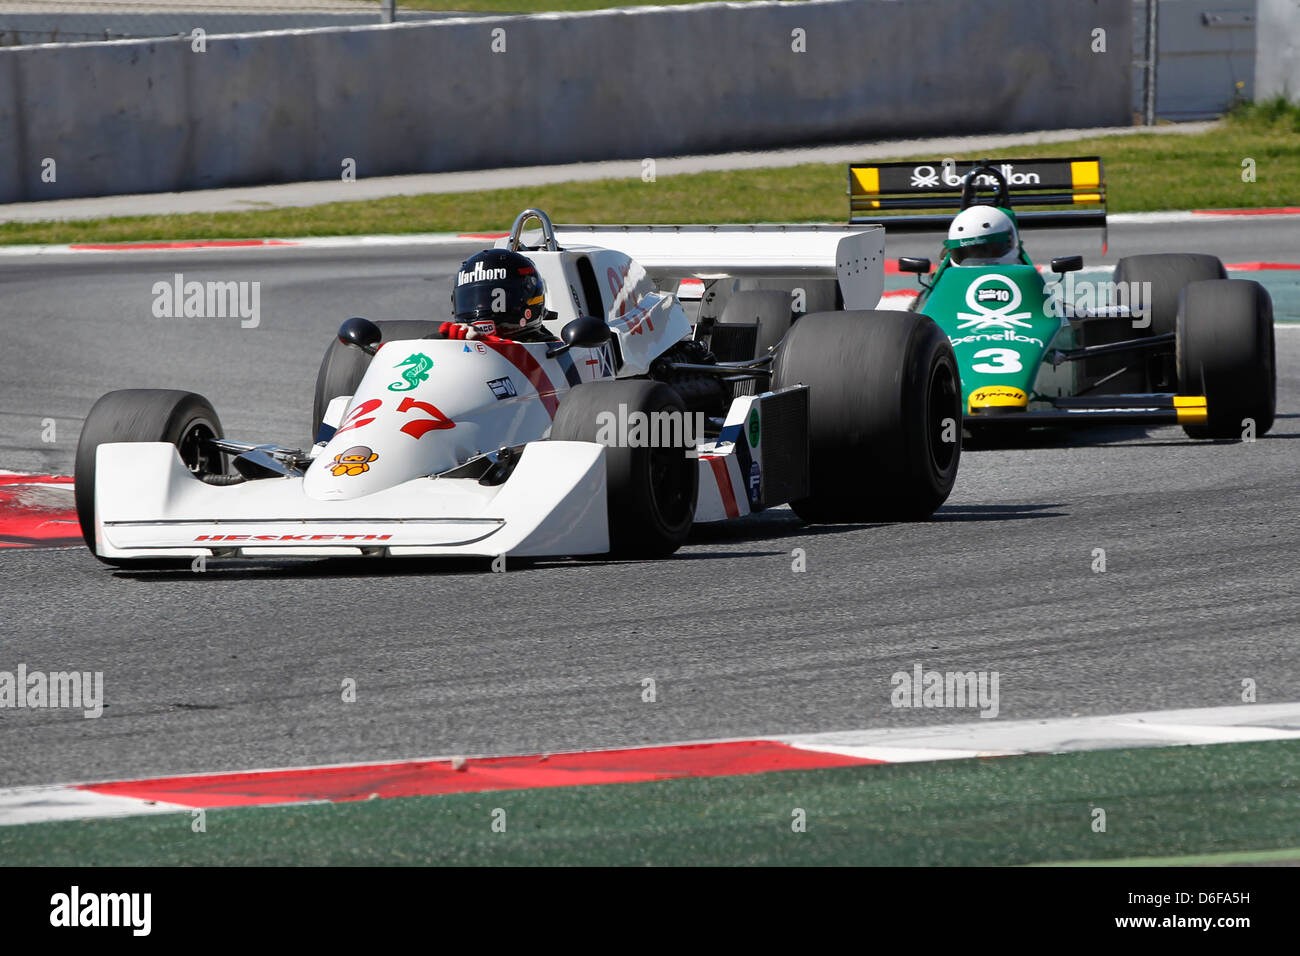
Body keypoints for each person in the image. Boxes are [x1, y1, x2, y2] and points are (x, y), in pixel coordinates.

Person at [435, 249, 556, 343]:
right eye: (471, 300)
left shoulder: (552, 349)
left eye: (488, 299)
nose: (480, 306)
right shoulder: (458, 342)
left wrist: (486, 342)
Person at [943, 205, 1024, 266]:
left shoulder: (1029, 277)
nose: (980, 263)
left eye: (985, 251)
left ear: (1011, 241)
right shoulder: (943, 279)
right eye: (968, 254)